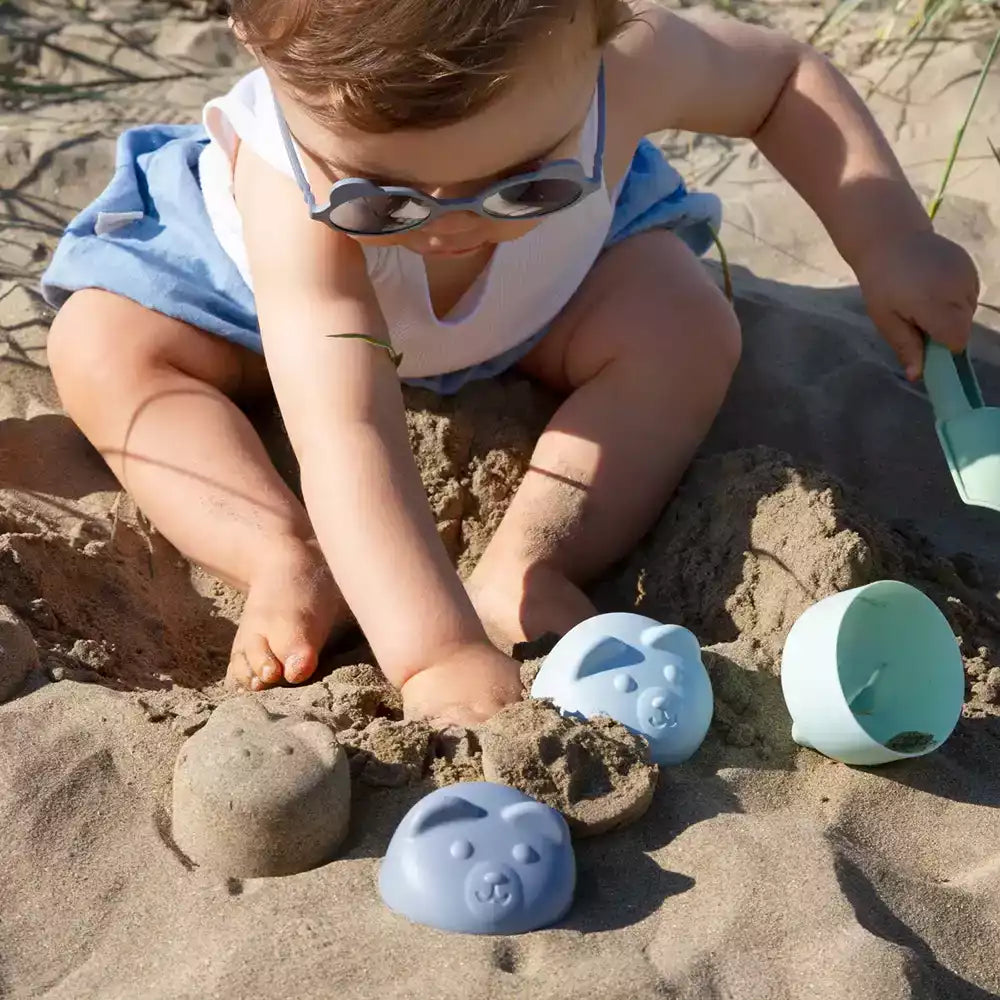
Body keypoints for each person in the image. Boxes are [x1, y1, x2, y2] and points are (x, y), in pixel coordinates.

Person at [41, 1, 978, 726]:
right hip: (249, 313)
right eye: (385, 200)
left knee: (684, 325)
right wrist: (436, 654)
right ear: (253, 41)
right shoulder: (289, 197)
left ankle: (532, 562)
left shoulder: (627, 66)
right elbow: (347, 428)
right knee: (105, 348)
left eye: (527, 179)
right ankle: (278, 553)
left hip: (547, 295)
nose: (452, 226)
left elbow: (781, 79)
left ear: (605, 31)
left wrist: (887, 238)